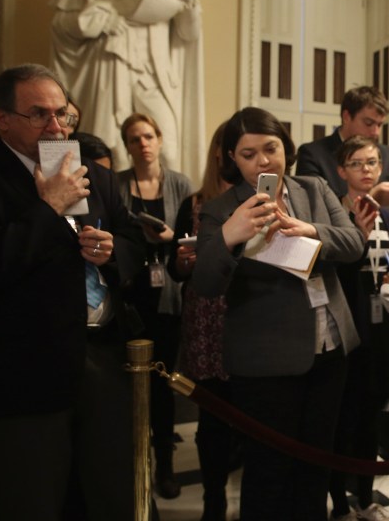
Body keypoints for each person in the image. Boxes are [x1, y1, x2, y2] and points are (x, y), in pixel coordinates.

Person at [0, 63, 142, 521]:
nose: (56, 127)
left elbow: (134, 242)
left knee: (108, 497)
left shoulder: (91, 171)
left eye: (62, 114)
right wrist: (49, 209)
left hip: (103, 363)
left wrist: (113, 253)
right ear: (2, 118)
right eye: (39, 115)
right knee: (34, 501)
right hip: (23, 375)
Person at [190, 107, 364, 520]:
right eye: (249, 154)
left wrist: (311, 231)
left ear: (285, 148)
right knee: (269, 473)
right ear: (233, 158)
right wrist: (231, 235)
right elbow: (205, 284)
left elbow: (354, 243)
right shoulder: (221, 208)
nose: (263, 161)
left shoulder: (314, 188)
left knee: (317, 464)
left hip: (330, 346)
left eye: (270, 148)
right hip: (266, 360)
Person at [50, 0, 205, 178]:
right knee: (111, 150)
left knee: (168, 148)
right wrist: (93, 19)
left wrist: (190, 4)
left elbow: (188, 34)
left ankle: (172, 209)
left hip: (153, 75)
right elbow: (61, 26)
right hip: (109, 72)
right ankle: (113, 209)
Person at [117, 112, 193, 499]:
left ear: (160, 139)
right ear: (127, 146)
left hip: (167, 295)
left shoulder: (179, 183)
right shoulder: (116, 184)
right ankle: (130, 464)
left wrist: (166, 237)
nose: (143, 144)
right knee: (127, 386)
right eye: (134, 139)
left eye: (148, 136)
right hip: (129, 296)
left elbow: (189, 240)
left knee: (163, 386)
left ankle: (164, 466)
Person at [329, 135, 389, 521]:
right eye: (357, 163)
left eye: (372, 163)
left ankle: (363, 495)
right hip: (344, 332)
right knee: (341, 421)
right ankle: (339, 503)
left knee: (371, 418)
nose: (366, 171)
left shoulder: (388, 217)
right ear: (342, 171)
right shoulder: (335, 216)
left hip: (381, 332)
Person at [167, 121, 233, 521]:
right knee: (213, 418)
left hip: (249, 317)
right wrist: (181, 261)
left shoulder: (258, 200)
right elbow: (173, 269)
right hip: (206, 319)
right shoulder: (194, 202)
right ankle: (214, 500)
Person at [295, 86, 389, 231]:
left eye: (379, 125)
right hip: (341, 246)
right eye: (369, 123)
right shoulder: (313, 154)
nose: (376, 132)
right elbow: (316, 210)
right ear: (346, 117)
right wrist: (373, 198)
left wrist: (373, 212)